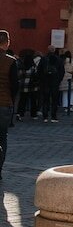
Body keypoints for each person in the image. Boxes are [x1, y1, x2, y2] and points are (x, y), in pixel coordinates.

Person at [0, 31, 19, 178]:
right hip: (4, 103)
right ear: (7, 43)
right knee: (2, 138)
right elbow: (15, 85)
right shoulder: (11, 61)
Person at [37, 45, 64, 123]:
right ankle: (53, 116)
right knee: (54, 100)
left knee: (46, 100)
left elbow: (39, 70)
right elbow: (62, 71)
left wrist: (42, 80)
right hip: (55, 82)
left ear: (48, 50)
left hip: (45, 82)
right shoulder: (59, 59)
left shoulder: (43, 59)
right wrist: (59, 80)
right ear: (54, 50)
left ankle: (45, 116)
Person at [16, 52, 38, 121]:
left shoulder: (22, 67)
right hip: (32, 86)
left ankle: (20, 113)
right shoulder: (34, 67)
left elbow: (19, 76)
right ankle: (33, 114)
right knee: (33, 101)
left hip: (24, 86)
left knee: (22, 101)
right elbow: (36, 76)